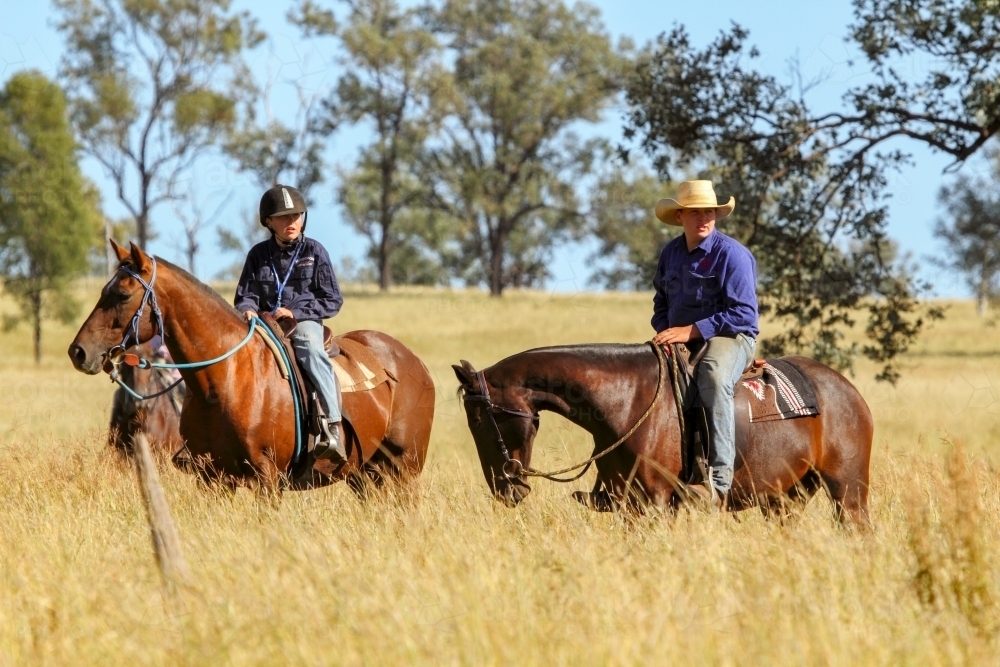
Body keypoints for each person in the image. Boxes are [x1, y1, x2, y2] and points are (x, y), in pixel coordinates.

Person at [651, 180, 759, 506]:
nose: (704, 218)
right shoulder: (670, 253)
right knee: (641, 376)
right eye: (696, 211)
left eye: (709, 210)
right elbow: (660, 304)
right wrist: (666, 331)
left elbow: (743, 314)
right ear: (680, 216)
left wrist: (691, 331)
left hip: (731, 336)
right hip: (681, 336)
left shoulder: (733, 255)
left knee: (712, 375)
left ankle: (718, 481)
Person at [234, 184, 347, 463]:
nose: (291, 222)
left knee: (309, 347)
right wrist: (248, 309)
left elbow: (332, 300)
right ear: (269, 222)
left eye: (297, 215)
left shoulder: (315, 251)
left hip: (303, 323)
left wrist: (295, 312)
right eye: (284, 217)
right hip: (264, 323)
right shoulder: (257, 255)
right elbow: (245, 295)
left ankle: (332, 426)